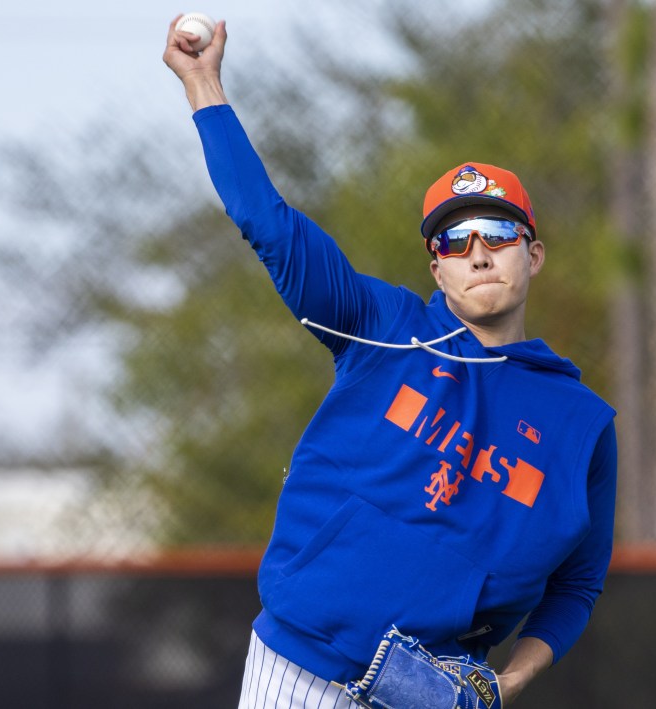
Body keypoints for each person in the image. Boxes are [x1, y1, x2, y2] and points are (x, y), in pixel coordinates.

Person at [163, 15, 617, 709]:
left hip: (433, 696)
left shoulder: (581, 424)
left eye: (498, 232)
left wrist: (513, 677)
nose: (479, 251)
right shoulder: (384, 328)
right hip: (300, 665)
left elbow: (578, 584)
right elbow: (269, 225)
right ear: (437, 267)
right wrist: (204, 84)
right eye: (456, 238)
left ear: (534, 252)